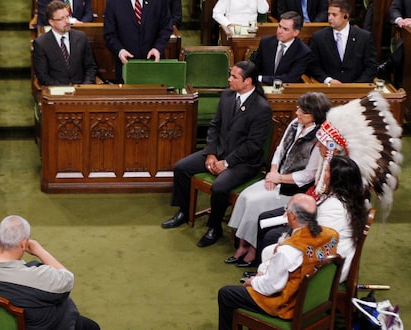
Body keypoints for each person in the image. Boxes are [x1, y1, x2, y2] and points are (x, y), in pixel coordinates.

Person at [255, 92, 402, 272]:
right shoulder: (335, 173)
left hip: (323, 250)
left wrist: (297, 220)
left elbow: (321, 232)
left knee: (272, 236)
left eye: (322, 143)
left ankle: (268, 275)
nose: (318, 145)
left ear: (333, 148)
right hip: (317, 225)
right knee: (268, 223)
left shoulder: (338, 194)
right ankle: (266, 272)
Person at [161, 61, 273, 248]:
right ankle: (183, 211)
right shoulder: (227, 96)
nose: (229, 79)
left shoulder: (261, 108)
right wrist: (211, 153)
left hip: (243, 162)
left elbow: (253, 145)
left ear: (248, 81)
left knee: (219, 186)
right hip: (219, 151)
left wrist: (226, 163)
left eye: (234, 77)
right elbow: (214, 126)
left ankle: (214, 227)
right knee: (181, 168)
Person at [225, 92, 330, 267]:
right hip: (277, 178)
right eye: (298, 108)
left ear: (314, 115)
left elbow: (308, 175)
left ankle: (253, 249)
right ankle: (242, 244)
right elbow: (280, 150)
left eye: (302, 111)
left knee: (253, 203)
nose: (297, 113)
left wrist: (279, 178)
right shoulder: (295, 124)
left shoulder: (320, 137)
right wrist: (272, 173)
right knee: (244, 196)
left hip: (293, 189)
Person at [217, 193, 339, 330]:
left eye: (287, 210)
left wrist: (253, 281)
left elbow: (271, 287)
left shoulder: (289, 250)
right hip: (314, 299)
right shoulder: (331, 234)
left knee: (226, 294)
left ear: (292, 216)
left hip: (289, 305)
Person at [0, 215, 100, 330]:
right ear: (24, 244)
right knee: (92, 327)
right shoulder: (37, 278)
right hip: (41, 325)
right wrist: (39, 250)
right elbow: (67, 279)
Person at [103, 0, 173, 83]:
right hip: (126, 63)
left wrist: (157, 48)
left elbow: (166, 27)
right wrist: (120, 51)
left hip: (153, 60)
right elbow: (109, 34)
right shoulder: (113, 2)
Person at [307, 0, 377, 84]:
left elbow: (371, 66)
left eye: (334, 15)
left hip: (356, 87)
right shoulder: (318, 37)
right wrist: (328, 80)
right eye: (329, 14)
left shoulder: (364, 37)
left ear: (345, 16)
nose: (330, 18)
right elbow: (313, 65)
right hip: (328, 87)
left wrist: (356, 85)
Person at [33, 0, 98, 86]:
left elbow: (90, 67)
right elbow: (42, 75)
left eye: (67, 17)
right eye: (62, 18)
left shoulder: (81, 37)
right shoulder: (41, 43)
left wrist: (84, 87)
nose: (67, 21)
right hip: (56, 90)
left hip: (80, 88)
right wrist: (64, 90)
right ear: (51, 22)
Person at [252, 12, 311, 85]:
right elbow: (255, 65)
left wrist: (260, 78)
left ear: (296, 33)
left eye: (285, 29)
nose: (280, 31)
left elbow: (290, 78)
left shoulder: (303, 52)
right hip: (262, 86)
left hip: (285, 88)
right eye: (279, 27)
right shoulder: (266, 42)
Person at [379, 0, 411, 86]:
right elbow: (394, 8)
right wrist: (399, 20)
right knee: (407, 42)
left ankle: (388, 65)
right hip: (407, 32)